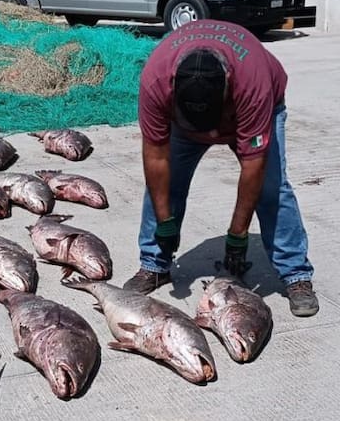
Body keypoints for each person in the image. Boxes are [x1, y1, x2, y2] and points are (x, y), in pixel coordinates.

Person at [123, 19, 320, 317]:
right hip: (186, 126)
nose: (212, 137)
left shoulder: (253, 84)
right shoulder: (155, 80)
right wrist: (165, 222)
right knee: (165, 185)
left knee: (271, 188)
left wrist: (238, 234)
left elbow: (254, 166)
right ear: (173, 88)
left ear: (228, 84)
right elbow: (155, 159)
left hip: (252, 109)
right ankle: (155, 264)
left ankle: (296, 275)